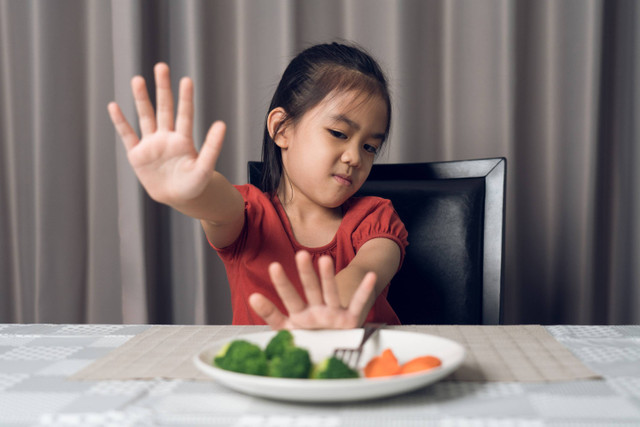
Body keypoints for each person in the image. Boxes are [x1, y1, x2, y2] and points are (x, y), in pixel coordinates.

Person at [108, 42, 408, 330]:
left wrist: (334, 310)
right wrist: (190, 189)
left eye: (370, 147)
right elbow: (218, 205)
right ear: (282, 129)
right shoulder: (249, 216)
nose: (355, 157)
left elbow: (366, 272)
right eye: (339, 133)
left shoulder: (376, 216)